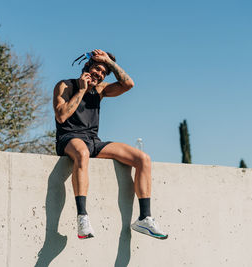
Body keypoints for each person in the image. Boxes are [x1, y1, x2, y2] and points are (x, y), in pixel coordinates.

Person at [53, 49, 167, 240]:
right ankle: (83, 218)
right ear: (87, 67)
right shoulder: (65, 85)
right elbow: (62, 115)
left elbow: (128, 84)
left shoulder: (100, 90)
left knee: (142, 159)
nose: (99, 74)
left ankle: (144, 218)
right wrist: (81, 90)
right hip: (69, 139)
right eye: (97, 69)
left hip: (93, 141)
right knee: (82, 153)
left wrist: (109, 63)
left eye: (104, 73)